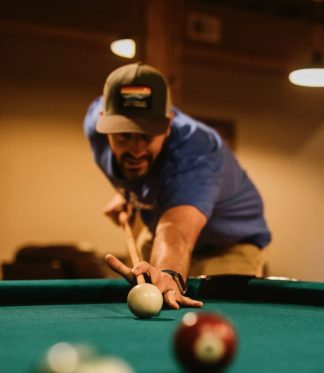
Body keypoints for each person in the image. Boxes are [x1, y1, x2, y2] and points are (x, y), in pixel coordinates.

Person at [84, 62, 271, 309]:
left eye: (146, 135)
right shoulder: (95, 130)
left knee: (213, 314)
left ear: (168, 124)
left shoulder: (196, 151)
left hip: (226, 248)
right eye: (124, 135)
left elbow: (177, 232)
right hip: (158, 229)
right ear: (103, 121)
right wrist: (128, 193)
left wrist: (168, 273)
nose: (136, 149)